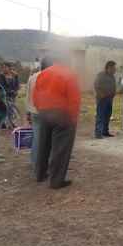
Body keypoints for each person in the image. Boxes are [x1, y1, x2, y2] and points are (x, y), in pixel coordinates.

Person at [33, 57, 81, 189]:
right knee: (61, 149)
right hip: (62, 114)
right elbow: (74, 98)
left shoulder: (44, 73)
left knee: (43, 145)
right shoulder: (69, 74)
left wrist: (40, 109)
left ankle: (40, 174)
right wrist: (73, 118)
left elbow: (36, 94)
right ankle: (56, 181)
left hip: (43, 112)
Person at [25, 62, 46, 168]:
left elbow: (28, 94)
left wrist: (28, 112)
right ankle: (41, 164)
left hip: (33, 110)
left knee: (36, 137)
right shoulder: (49, 76)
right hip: (45, 111)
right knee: (44, 139)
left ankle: (34, 161)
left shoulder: (32, 77)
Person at [94, 61, 117, 138]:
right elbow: (96, 85)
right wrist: (101, 95)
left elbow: (114, 86)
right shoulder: (101, 75)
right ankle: (98, 133)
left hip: (109, 99)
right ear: (108, 68)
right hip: (102, 99)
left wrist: (113, 93)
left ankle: (105, 131)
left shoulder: (112, 76)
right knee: (100, 116)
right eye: (113, 68)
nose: (115, 70)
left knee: (107, 115)